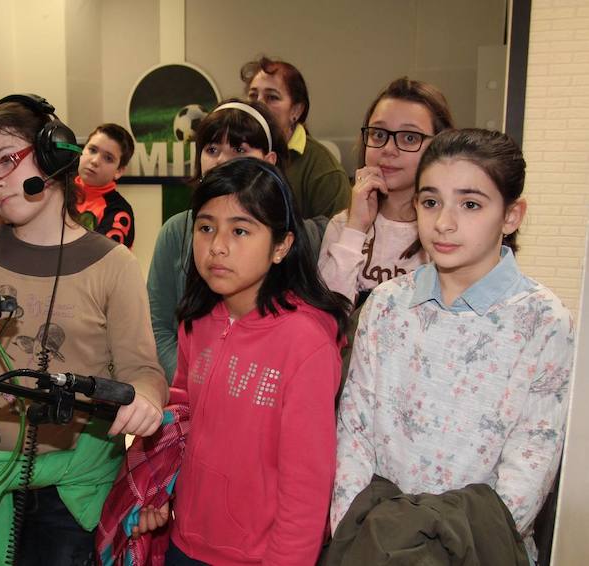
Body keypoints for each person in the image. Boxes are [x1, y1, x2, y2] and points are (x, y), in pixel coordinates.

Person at [0, 94, 167, 566]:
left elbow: (142, 369)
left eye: (6, 161)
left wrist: (144, 399)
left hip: (72, 492)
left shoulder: (113, 265)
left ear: (53, 154)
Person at [331, 129, 573, 563]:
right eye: (430, 202)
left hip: (478, 547)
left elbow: (530, 464)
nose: (444, 222)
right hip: (374, 543)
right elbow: (355, 431)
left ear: (511, 215)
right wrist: (356, 532)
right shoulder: (386, 304)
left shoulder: (543, 319)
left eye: (470, 204)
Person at [137, 158, 349, 564]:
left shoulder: (305, 341)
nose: (217, 246)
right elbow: (180, 414)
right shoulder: (197, 319)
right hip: (187, 538)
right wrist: (156, 485)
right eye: (205, 228)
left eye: (240, 230)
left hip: (259, 555)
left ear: (281, 246)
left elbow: (306, 485)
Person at [147, 99, 296, 382]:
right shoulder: (175, 232)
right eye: (212, 149)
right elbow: (158, 326)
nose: (221, 161)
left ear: (269, 161)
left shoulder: (281, 234)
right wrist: (194, 380)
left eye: (239, 150)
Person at [317, 77, 454, 307]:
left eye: (409, 138)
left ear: (440, 145)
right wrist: (355, 229)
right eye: (378, 134)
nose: (389, 149)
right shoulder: (343, 225)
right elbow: (326, 314)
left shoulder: (449, 229)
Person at [242, 55, 350, 220]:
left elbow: (341, 231)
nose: (259, 104)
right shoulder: (234, 153)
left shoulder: (324, 171)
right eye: (253, 95)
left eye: (272, 97)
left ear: (296, 110)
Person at [75, 123, 136, 248]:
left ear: (119, 171)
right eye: (92, 150)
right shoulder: (56, 189)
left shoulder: (118, 212)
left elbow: (95, 256)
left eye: (108, 158)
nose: (95, 161)